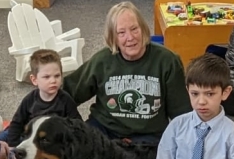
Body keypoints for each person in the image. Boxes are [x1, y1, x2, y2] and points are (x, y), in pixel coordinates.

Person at [62, 1, 192, 145]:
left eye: (134, 29)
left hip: (148, 136)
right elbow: (67, 92)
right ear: (113, 37)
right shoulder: (102, 61)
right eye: (121, 33)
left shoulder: (167, 61)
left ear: (143, 28)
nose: (130, 38)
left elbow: (182, 113)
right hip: (105, 129)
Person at [1, 49, 82, 147]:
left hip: (47, 142)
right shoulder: (30, 100)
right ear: (34, 80)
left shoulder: (65, 100)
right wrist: (13, 146)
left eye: (57, 76)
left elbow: (78, 125)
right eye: (46, 77)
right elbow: (17, 123)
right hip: (27, 136)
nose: (53, 80)